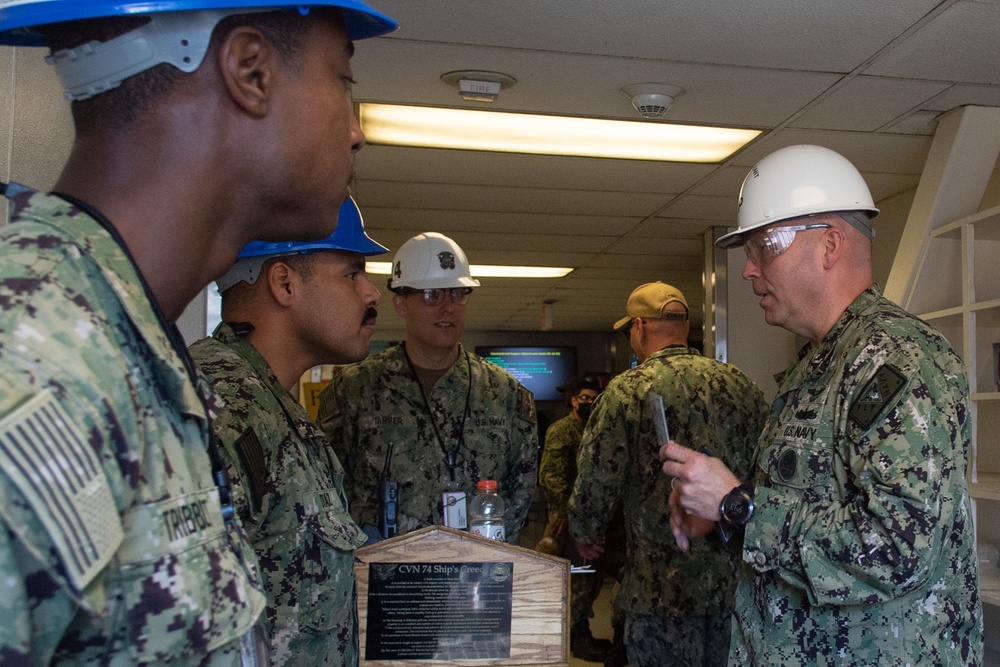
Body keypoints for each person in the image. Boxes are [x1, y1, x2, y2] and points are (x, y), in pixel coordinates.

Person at [0, 1, 396, 663]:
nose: (357, 134)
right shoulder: (36, 362)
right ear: (251, 71)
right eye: (342, 81)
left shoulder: (133, 354)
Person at [660, 144, 983, 666]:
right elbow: (809, 521)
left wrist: (741, 505)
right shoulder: (821, 364)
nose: (747, 271)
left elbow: (899, 547)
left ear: (830, 244)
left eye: (764, 247)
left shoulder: (896, 360)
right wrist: (726, 517)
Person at [189, 198, 386, 666]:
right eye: (352, 273)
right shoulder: (224, 408)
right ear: (284, 283)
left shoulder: (274, 410)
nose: (371, 292)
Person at [569, 281, 767, 667]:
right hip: (735, 589)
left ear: (639, 327)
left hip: (660, 592)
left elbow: (597, 477)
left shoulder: (626, 391)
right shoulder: (740, 384)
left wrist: (584, 532)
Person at [317, 232, 539, 543]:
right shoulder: (355, 391)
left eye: (458, 294)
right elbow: (329, 489)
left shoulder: (503, 393)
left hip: (476, 574)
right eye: (432, 295)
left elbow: (522, 487)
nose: (448, 307)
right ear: (401, 305)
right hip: (386, 575)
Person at [538, 376, 625, 664]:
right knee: (578, 580)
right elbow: (552, 478)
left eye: (594, 398)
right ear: (573, 400)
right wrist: (567, 519)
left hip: (597, 518)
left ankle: (582, 632)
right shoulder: (562, 431)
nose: (589, 403)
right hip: (568, 520)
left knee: (595, 577)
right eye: (584, 398)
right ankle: (576, 636)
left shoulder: (597, 429)